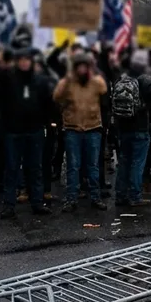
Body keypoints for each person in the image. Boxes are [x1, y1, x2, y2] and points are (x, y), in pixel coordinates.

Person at [0, 46, 55, 219]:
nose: (23, 63)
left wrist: (48, 123)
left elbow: (48, 103)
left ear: (31, 62)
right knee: (12, 169)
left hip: (35, 131)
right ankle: (9, 205)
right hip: (12, 132)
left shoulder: (40, 81)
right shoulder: (8, 78)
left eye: (26, 60)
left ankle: (37, 203)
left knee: (35, 168)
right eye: (20, 60)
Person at [53, 51, 108, 212]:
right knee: (73, 166)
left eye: (86, 67)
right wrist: (67, 80)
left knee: (93, 166)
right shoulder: (68, 83)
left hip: (93, 129)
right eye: (80, 67)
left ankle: (95, 197)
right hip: (73, 129)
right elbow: (56, 96)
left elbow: (105, 99)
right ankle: (71, 199)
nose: (83, 70)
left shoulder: (97, 82)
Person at [112, 50, 151, 206]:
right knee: (137, 163)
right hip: (140, 127)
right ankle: (135, 196)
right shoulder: (147, 81)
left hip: (123, 126)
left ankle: (120, 195)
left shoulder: (121, 79)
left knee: (124, 162)